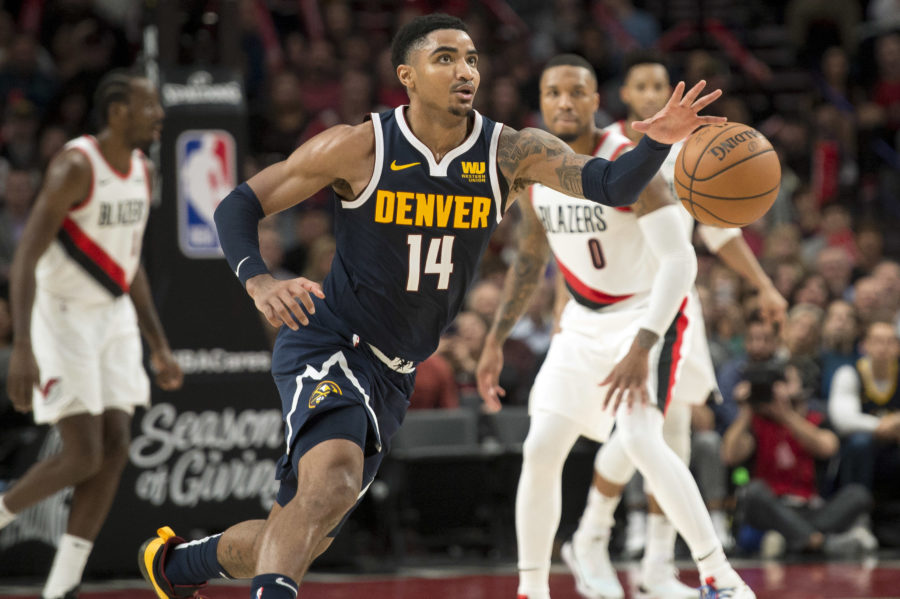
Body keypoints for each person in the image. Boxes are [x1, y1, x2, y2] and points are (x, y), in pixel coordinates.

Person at [137, 14, 725, 599]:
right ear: (407, 76)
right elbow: (238, 204)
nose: (464, 69)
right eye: (445, 58)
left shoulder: (510, 152)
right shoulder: (360, 146)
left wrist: (656, 141)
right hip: (331, 339)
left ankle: (178, 565)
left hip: (397, 368)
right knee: (331, 482)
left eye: (471, 58)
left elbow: (614, 184)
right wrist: (260, 282)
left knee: (298, 530)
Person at [476, 53, 752, 599]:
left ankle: (720, 575)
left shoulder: (626, 163)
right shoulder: (533, 166)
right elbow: (531, 259)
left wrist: (641, 346)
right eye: (554, 92)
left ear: (597, 100)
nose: (565, 102)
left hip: (647, 316)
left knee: (642, 439)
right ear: (542, 100)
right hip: (582, 323)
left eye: (577, 92)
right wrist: (494, 342)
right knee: (541, 446)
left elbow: (682, 262)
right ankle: (532, 588)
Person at [541, 50, 788, 599]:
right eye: (642, 85)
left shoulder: (691, 151)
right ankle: (593, 534)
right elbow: (576, 235)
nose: (653, 92)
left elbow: (720, 233)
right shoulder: (608, 150)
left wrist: (764, 284)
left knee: (669, 431)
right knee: (643, 434)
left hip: (672, 303)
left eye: (660, 83)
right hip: (622, 308)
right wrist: (565, 300)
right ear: (624, 96)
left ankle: (654, 565)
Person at [0, 70, 182, 599]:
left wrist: (158, 344)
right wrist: (23, 349)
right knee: (82, 454)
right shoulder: (76, 165)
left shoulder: (144, 170)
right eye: (150, 107)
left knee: (117, 444)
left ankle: (61, 585)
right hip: (61, 315)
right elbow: (26, 257)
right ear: (119, 112)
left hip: (113, 314)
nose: (159, 116)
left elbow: (129, 263)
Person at [721, 362, 876, 557]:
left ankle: (790, 539)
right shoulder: (757, 423)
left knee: (858, 494)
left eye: (786, 382)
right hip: (772, 509)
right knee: (752, 492)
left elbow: (827, 447)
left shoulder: (815, 419)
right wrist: (745, 411)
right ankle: (819, 541)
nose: (779, 389)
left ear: (803, 386)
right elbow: (729, 455)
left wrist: (786, 415)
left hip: (809, 508)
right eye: (776, 383)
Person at [829, 321, 900, 498]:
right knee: (860, 442)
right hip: (863, 449)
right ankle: (855, 513)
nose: (883, 347)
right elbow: (843, 420)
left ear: (897, 347)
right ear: (864, 345)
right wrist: (882, 426)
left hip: (894, 447)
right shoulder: (848, 372)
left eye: (889, 342)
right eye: (877, 341)